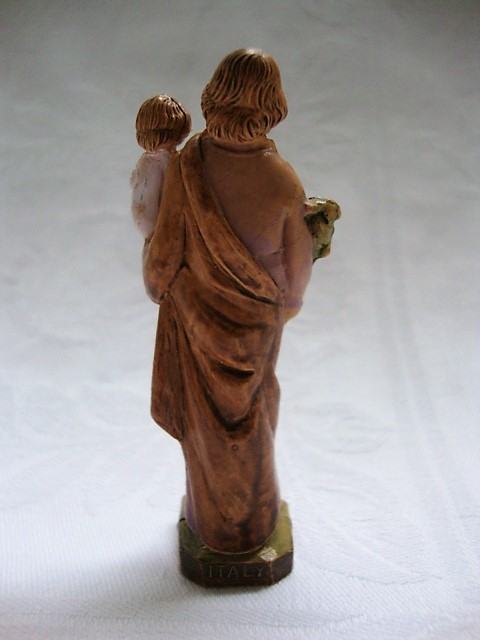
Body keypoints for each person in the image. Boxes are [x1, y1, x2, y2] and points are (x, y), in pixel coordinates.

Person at [143, 49, 313, 554]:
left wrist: (160, 279)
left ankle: (213, 528)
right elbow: (295, 279)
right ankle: (253, 529)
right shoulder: (282, 181)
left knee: (205, 434)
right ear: (273, 105)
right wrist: (277, 310)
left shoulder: (189, 165)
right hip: (259, 330)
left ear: (214, 95)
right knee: (256, 423)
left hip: (197, 327)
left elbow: (162, 264)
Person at [130, 95, 191, 238]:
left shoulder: (173, 159)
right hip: (163, 234)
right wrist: (157, 235)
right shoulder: (153, 163)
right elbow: (144, 212)